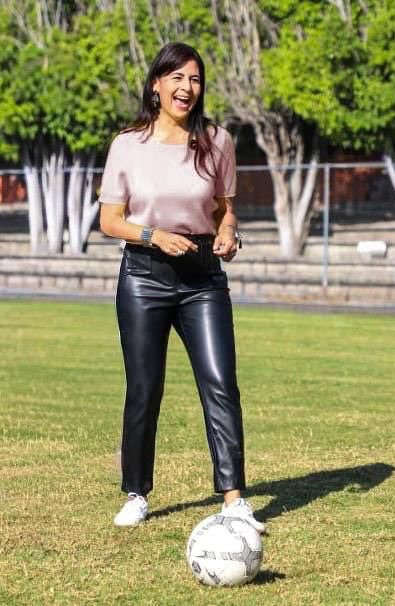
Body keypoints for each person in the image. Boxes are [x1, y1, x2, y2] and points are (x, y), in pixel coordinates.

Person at [97, 42, 264, 532]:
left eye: (195, 79)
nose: (187, 88)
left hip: (203, 279)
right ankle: (137, 493)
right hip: (144, 277)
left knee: (220, 383)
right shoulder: (128, 144)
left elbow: (224, 209)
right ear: (156, 84)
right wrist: (153, 236)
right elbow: (110, 220)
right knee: (144, 388)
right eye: (177, 78)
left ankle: (234, 499)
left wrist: (229, 233)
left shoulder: (217, 141)